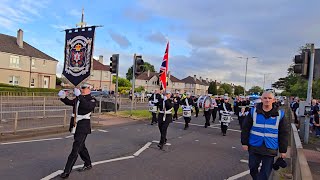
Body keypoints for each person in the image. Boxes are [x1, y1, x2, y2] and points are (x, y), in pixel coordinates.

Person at [241, 91, 289, 180]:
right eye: (265, 98)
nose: (267, 100)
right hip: (254, 145)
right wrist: (244, 142)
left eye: (270, 98)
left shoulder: (280, 114)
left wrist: (283, 150)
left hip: (270, 147)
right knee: (252, 168)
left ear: (274, 100)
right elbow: (245, 128)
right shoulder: (253, 112)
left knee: (265, 173)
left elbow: (284, 133)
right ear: (261, 99)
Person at [58, 83, 96, 179]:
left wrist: (79, 96)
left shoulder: (91, 99)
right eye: (81, 88)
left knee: (75, 148)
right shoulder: (79, 98)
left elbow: (87, 107)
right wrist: (63, 97)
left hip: (83, 126)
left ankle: (66, 171)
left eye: (83, 88)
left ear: (89, 89)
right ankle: (88, 163)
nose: (81, 89)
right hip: (76, 125)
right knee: (81, 146)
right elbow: (70, 103)